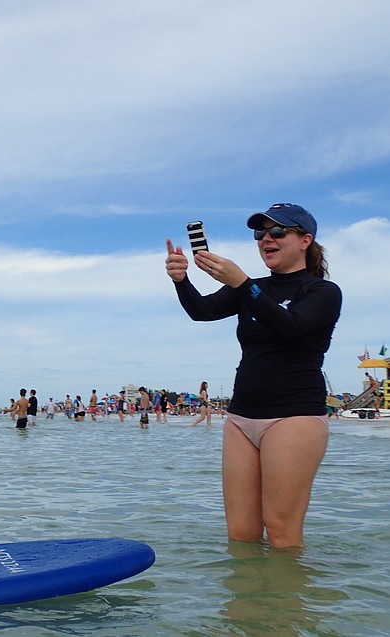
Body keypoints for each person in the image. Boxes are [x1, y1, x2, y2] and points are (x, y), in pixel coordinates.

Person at [166, 203, 342, 548]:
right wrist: (181, 281)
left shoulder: (322, 291)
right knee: (241, 533)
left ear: (305, 240)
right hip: (241, 418)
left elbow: (290, 326)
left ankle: (290, 585)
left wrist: (242, 283)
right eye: (260, 232)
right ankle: (250, 587)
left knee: (280, 530)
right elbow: (202, 311)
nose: (266, 238)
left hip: (294, 416)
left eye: (278, 231)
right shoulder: (251, 287)